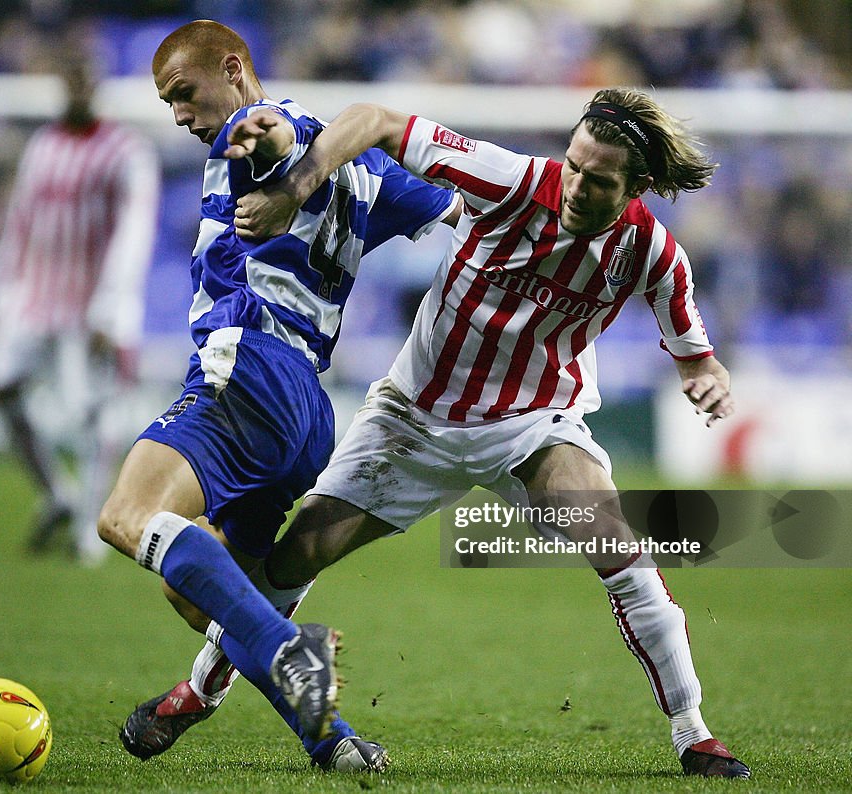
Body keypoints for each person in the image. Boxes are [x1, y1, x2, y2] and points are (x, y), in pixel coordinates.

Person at [147, 88, 752, 779]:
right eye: (575, 165)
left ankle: (695, 735)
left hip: (534, 426)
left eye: (599, 180)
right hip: (414, 420)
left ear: (639, 187)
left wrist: (707, 377)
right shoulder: (514, 181)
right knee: (291, 562)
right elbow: (373, 120)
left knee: (626, 559)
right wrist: (295, 187)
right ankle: (200, 688)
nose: (576, 186)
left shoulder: (653, 254)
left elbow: (693, 350)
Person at [95, 20, 459, 772]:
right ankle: (332, 743)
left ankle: (294, 651)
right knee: (210, 599)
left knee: (126, 517)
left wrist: (267, 139)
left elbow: (273, 134)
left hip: (245, 372)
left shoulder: (257, 126)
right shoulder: (370, 175)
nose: (182, 117)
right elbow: (458, 210)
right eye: (168, 105)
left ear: (234, 68)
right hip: (304, 416)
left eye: (185, 95)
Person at [0, 54, 160, 564]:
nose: (78, 87)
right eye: (70, 77)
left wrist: (112, 306)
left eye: (85, 78)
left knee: (91, 412)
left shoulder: (126, 151)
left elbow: (134, 233)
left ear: (96, 84)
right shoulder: (43, 145)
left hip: (91, 305)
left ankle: (89, 529)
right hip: (35, 298)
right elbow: (20, 221)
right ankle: (58, 493)